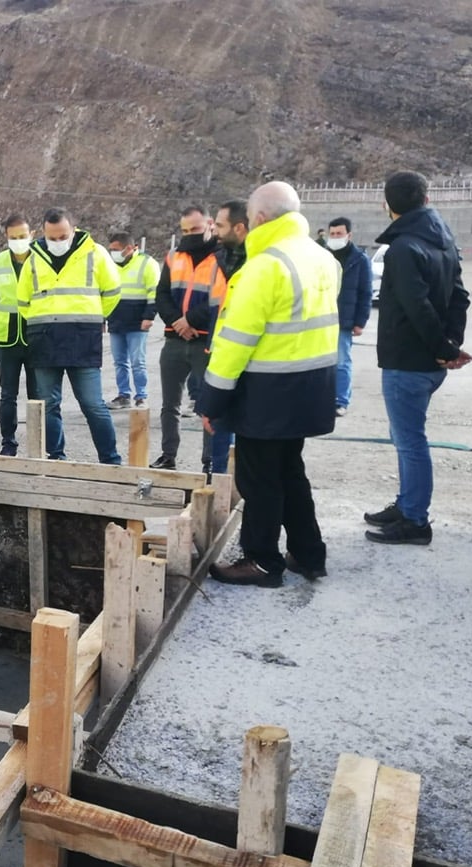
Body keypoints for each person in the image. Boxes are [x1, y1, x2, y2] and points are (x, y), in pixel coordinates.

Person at [199, 182, 340, 587]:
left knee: (259, 480)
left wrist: (213, 401)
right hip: (310, 386)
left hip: (268, 393)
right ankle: (309, 554)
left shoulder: (263, 267)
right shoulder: (323, 258)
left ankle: (262, 562)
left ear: (259, 218)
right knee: (290, 472)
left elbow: (235, 343)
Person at [364, 171, 472, 546]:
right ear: (426, 199)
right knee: (405, 437)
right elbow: (460, 297)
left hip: (408, 362)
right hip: (428, 362)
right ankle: (407, 504)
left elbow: (417, 307)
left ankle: (415, 521)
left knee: (410, 442)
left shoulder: (403, 248)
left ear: (387, 204)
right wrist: (450, 344)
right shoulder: (443, 240)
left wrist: (445, 349)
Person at [16, 207, 122, 464]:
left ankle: (111, 462)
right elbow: (23, 301)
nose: (58, 242)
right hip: (44, 340)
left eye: (63, 236)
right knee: (48, 405)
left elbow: (112, 292)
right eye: (52, 238)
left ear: (74, 230)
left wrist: (92, 318)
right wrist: (44, 322)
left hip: (82, 339)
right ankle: (56, 457)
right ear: (43, 233)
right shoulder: (33, 258)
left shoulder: (96, 254)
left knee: (92, 403)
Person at [152, 206, 227, 470]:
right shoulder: (174, 256)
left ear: (209, 224)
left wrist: (190, 321)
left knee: (209, 405)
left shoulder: (223, 256)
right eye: (184, 230)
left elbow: (222, 297)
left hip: (205, 340)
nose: (189, 235)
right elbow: (162, 294)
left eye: (194, 229)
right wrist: (177, 321)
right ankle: (168, 455)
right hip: (175, 339)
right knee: (169, 404)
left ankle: (210, 461)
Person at [0, 214, 38, 455]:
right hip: (7, 340)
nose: (18, 241)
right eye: (13, 237)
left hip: (36, 337)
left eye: (22, 236)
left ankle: (40, 445)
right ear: (6, 237)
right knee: (8, 395)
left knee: (38, 396)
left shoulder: (42, 261)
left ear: (32, 235)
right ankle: (8, 443)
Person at [209, 200, 250, 475]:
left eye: (220, 225)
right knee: (219, 421)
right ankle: (219, 475)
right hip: (220, 348)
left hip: (248, 355)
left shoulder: (259, 263)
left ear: (239, 228)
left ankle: (238, 480)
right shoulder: (219, 257)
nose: (215, 231)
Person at [325, 216, 374, 416]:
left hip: (343, 319)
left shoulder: (359, 259)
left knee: (342, 361)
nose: (335, 237)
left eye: (339, 233)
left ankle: (341, 400)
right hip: (321, 318)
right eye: (332, 233)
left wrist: (360, 321)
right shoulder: (321, 255)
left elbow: (365, 292)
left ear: (349, 235)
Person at [105, 232, 159, 410]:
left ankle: (141, 396)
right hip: (116, 320)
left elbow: (154, 292)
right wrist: (104, 317)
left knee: (137, 362)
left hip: (137, 321)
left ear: (129, 248)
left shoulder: (147, 263)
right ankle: (123, 395)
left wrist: (149, 316)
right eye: (111, 249)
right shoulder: (110, 265)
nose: (112, 253)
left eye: (116, 249)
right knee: (120, 362)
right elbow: (105, 291)